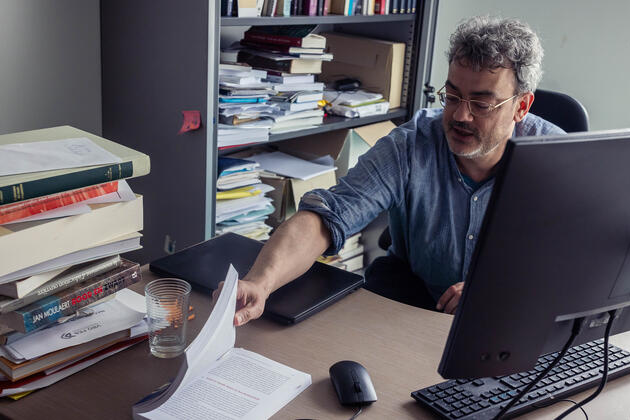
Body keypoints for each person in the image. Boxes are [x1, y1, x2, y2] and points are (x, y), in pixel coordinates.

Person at [218, 16, 566, 325]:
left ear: (521, 106)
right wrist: (259, 282)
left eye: (481, 104)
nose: (461, 115)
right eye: (454, 96)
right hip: (415, 295)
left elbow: (581, 258)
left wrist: (495, 289)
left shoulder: (558, 158)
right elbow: (329, 216)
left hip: (507, 313)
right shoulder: (411, 146)